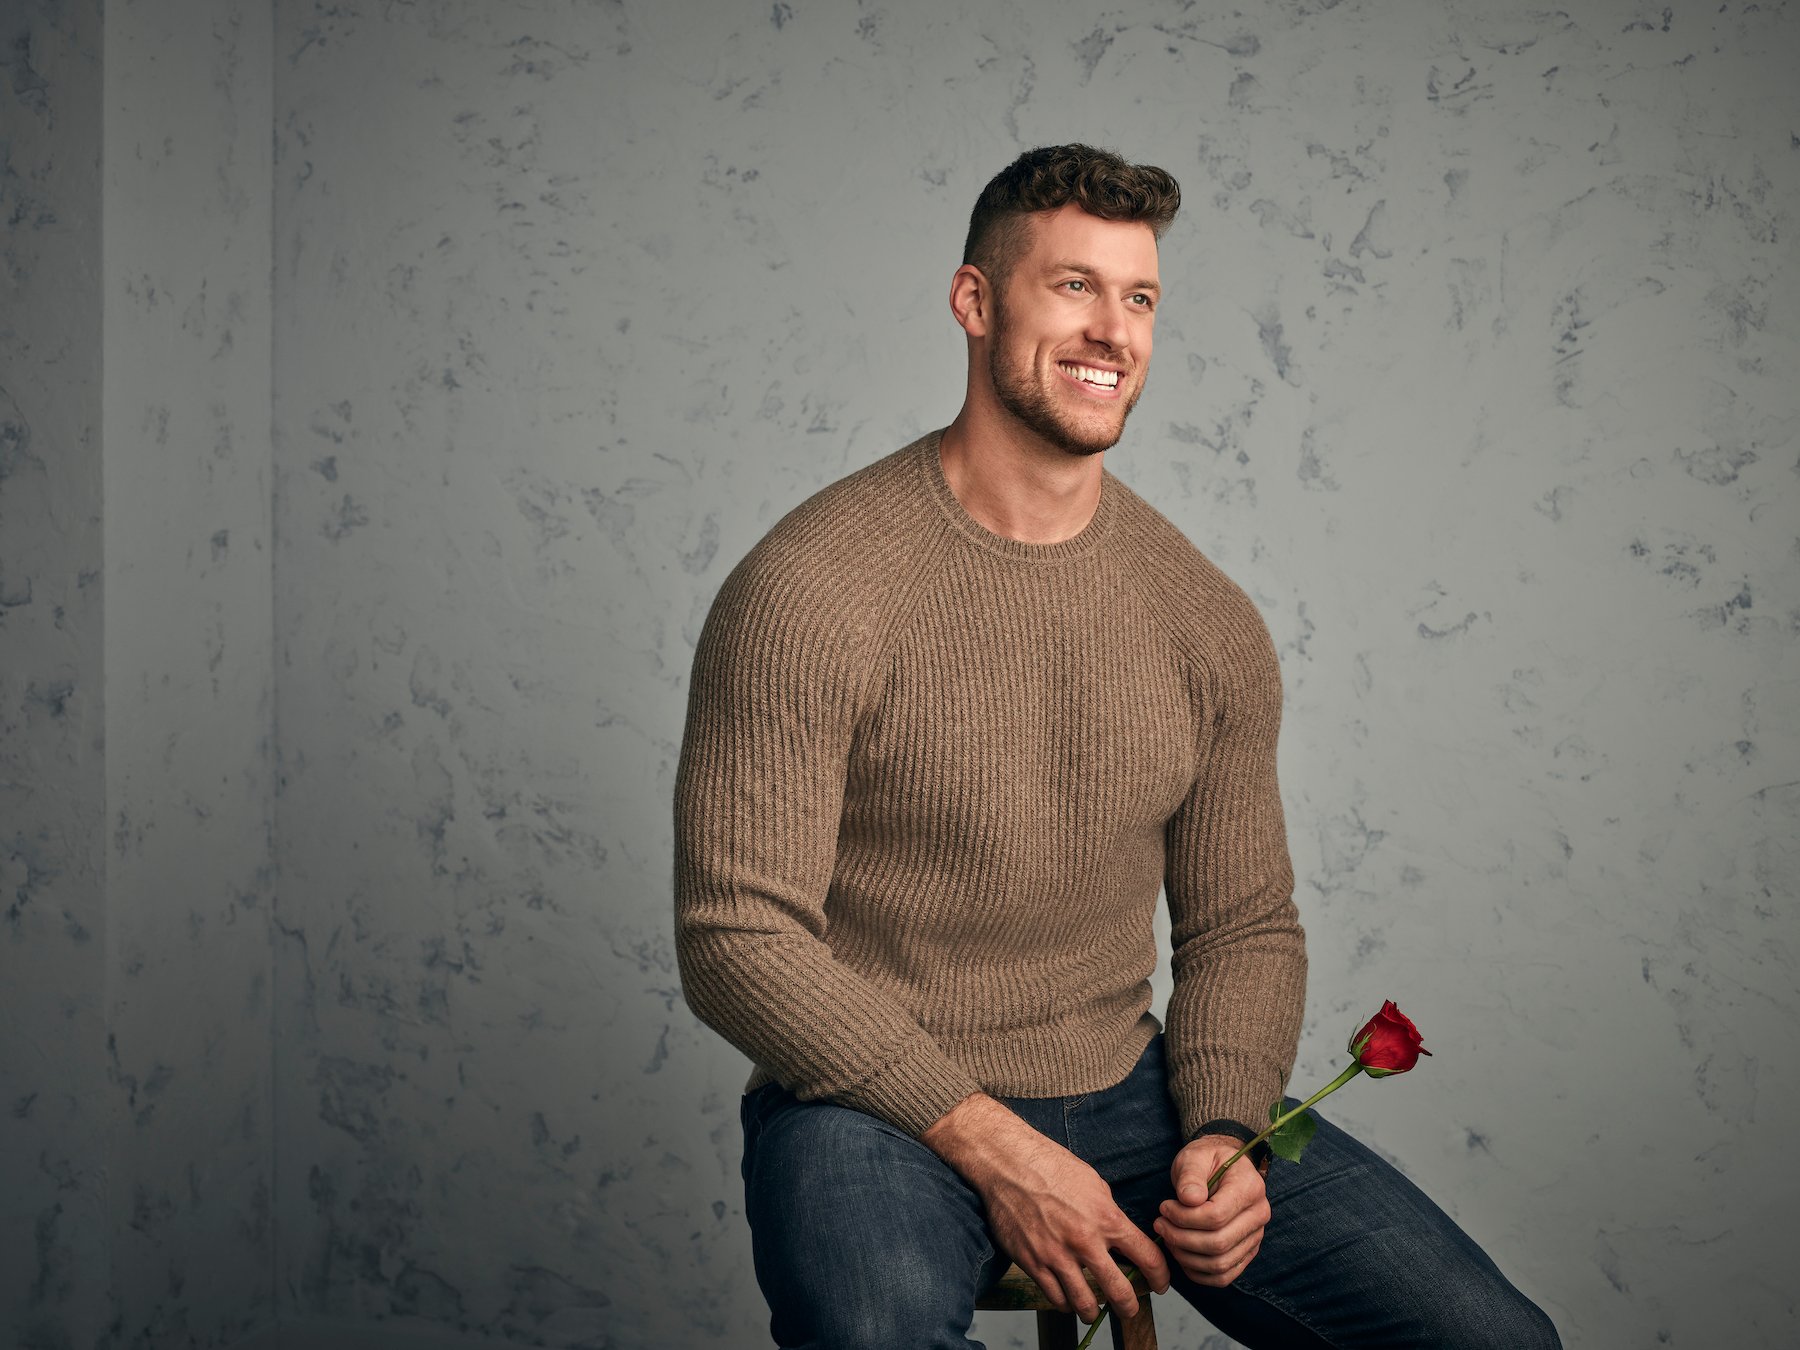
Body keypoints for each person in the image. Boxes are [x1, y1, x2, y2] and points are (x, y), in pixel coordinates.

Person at [674, 144, 1559, 1349]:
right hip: (874, 1105)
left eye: (1138, 297)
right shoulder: (811, 587)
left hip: (1137, 1097)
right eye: (1073, 287)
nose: (1113, 332)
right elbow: (737, 936)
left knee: (1494, 1343)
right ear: (975, 302)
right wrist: (991, 1143)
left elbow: (1243, 924)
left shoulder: (1203, 618)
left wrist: (1223, 1131)